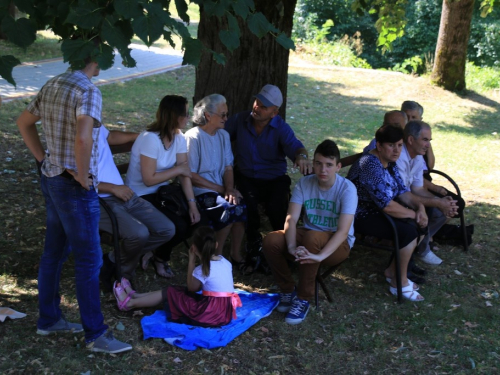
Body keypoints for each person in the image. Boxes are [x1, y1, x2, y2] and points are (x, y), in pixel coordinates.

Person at [16, 56, 131, 353]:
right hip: (73, 185)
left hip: (52, 177)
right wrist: (82, 176)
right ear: (97, 59)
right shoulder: (88, 90)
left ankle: (49, 319)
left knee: (54, 252)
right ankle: (96, 335)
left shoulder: (53, 84)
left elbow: (23, 122)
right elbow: (83, 138)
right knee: (89, 260)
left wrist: (43, 159)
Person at [263, 140, 357, 324]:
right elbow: (291, 217)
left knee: (312, 237)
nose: (323, 170)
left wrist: (320, 256)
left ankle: (304, 298)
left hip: (337, 244)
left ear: (338, 167)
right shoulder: (304, 184)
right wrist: (290, 247)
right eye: (319, 163)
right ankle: (288, 290)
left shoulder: (347, 189)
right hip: (307, 235)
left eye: (329, 165)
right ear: (313, 164)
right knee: (271, 241)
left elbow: (343, 232)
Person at [225, 84, 312, 257]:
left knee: (278, 207)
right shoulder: (240, 120)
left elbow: (297, 148)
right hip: (246, 176)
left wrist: (301, 157)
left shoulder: (281, 128)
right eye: (257, 102)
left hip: (274, 179)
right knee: (246, 204)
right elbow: (220, 135)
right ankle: (253, 243)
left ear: (274, 113)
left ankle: (284, 245)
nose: (257, 107)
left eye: (263, 107)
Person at [347, 125, 428, 302]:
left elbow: (403, 192)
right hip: (356, 215)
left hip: (376, 211)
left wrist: (420, 208)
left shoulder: (389, 162)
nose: (396, 150)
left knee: (419, 227)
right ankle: (399, 281)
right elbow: (387, 206)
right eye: (391, 145)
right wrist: (414, 215)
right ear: (379, 145)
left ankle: (393, 272)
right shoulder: (369, 164)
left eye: (399, 145)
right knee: (408, 231)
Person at [125, 95, 201, 278]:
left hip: (161, 193)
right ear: (174, 115)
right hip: (140, 195)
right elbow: (148, 179)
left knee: (196, 219)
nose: (188, 117)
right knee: (177, 226)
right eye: (185, 113)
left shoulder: (179, 137)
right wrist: (177, 170)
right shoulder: (150, 139)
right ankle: (159, 259)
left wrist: (192, 205)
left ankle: (154, 253)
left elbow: (184, 175)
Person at [112, 226, 242, 327]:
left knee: (172, 292)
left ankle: (130, 303)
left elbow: (192, 288)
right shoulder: (224, 261)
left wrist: (191, 260)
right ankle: (136, 296)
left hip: (209, 314)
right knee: (177, 291)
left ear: (194, 248)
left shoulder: (201, 269)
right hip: (224, 312)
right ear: (216, 245)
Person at [97, 126, 175, 288]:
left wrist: (138, 136)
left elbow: (110, 136)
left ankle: (112, 260)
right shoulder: (72, 138)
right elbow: (78, 179)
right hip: (101, 199)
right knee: (139, 233)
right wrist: (112, 188)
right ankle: (123, 276)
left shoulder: (93, 124)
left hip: (125, 194)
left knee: (166, 229)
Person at [185, 94, 247, 271]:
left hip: (219, 188)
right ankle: (215, 259)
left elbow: (228, 167)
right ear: (208, 115)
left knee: (240, 205)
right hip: (200, 190)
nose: (226, 119)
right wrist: (221, 189)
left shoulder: (223, 136)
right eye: (223, 115)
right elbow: (191, 175)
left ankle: (235, 255)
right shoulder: (193, 137)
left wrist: (229, 189)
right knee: (228, 209)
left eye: (227, 114)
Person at [397, 120, 458, 265]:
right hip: (395, 200)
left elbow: (418, 188)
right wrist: (438, 202)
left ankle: (418, 246)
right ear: (411, 140)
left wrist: (444, 202)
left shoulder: (417, 157)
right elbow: (403, 195)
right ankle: (420, 250)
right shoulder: (399, 156)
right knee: (427, 213)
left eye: (429, 140)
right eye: (425, 140)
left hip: (406, 197)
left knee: (442, 211)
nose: (428, 145)